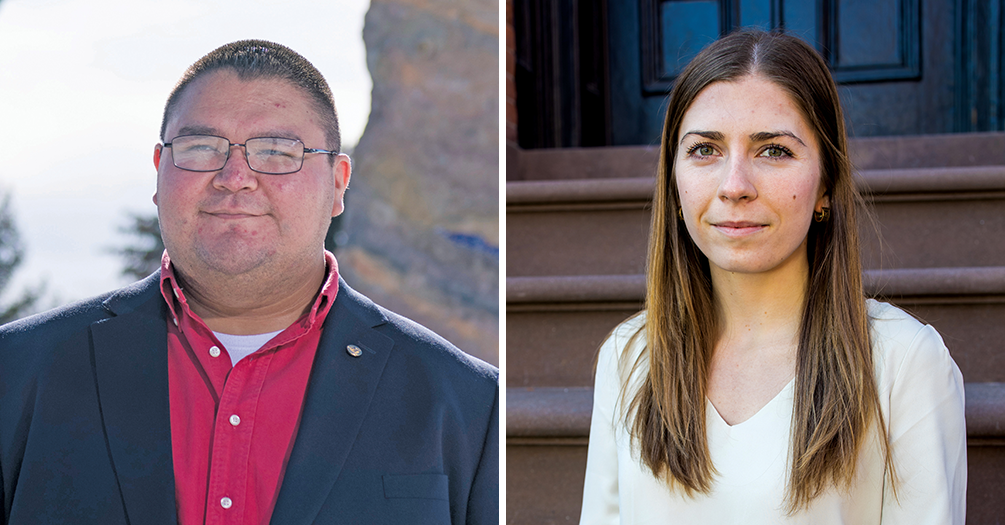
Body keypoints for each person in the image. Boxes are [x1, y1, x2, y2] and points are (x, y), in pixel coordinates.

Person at [0, 40, 498, 525]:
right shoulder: (16, 372)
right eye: (200, 148)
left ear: (338, 184)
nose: (234, 176)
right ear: (159, 173)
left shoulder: (471, 405)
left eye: (279, 152)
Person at [579, 30, 966, 524]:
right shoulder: (629, 355)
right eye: (704, 149)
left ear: (826, 183)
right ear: (673, 181)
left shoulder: (902, 363)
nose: (735, 186)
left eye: (774, 151)